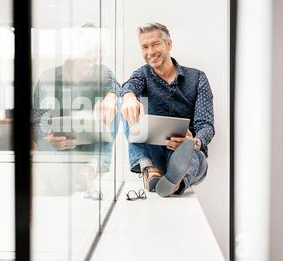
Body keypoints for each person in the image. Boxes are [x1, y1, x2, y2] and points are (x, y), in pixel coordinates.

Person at [120, 22, 214, 197]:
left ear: (169, 44)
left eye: (155, 44)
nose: (150, 52)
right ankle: (149, 168)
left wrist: (195, 141)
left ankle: (176, 181)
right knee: (125, 102)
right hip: (154, 154)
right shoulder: (143, 74)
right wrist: (128, 97)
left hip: (188, 153)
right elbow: (129, 86)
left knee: (192, 155)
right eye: (145, 47)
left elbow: (206, 125)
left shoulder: (197, 78)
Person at [32, 24, 121, 197]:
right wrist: (47, 136)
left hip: (90, 149)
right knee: (62, 188)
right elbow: (36, 122)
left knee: (118, 102)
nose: (93, 55)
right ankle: (73, 176)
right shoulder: (49, 77)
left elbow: (116, 88)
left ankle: (91, 166)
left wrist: (110, 98)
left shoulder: (102, 73)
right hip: (58, 148)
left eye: (97, 50)